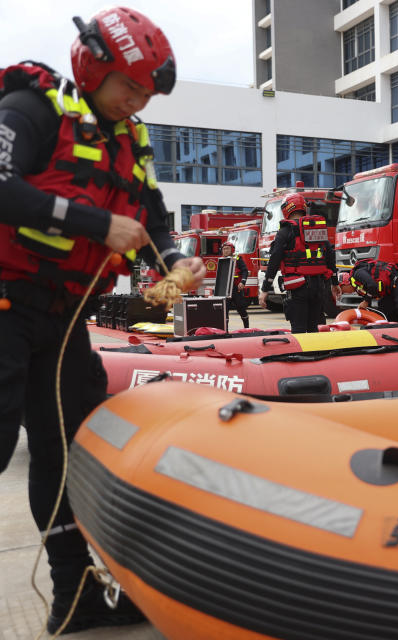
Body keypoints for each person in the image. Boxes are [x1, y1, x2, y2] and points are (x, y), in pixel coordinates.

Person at [0, 7, 204, 634]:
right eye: (130, 86)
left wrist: (173, 261)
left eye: (146, 92)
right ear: (92, 64)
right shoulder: (30, 110)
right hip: (5, 307)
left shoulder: (128, 141)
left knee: (66, 454)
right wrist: (95, 225)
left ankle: (77, 595)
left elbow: (150, 218)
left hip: (63, 323)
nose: (137, 100)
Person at [258, 192, 337, 332]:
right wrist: (335, 284)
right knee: (315, 327)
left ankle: (302, 354)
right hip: (319, 286)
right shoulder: (316, 229)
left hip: (297, 288)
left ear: (287, 209)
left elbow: (274, 260)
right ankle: (317, 353)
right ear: (304, 208)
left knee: (299, 329)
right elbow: (330, 255)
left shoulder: (285, 231)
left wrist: (265, 289)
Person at [338, 259, 398, 323]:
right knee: (385, 312)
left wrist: (366, 301)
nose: (345, 293)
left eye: (343, 291)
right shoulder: (358, 287)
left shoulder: (358, 274)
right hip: (389, 291)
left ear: (345, 284)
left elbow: (372, 285)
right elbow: (370, 294)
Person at [220, 242, 250, 329]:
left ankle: (247, 328)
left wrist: (243, 282)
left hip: (236, 288)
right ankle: (225, 331)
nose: (225, 251)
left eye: (227, 249)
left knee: (241, 308)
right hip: (225, 289)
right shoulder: (221, 260)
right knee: (225, 310)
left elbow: (245, 271)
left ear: (232, 250)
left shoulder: (238, 259)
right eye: (224, 249)